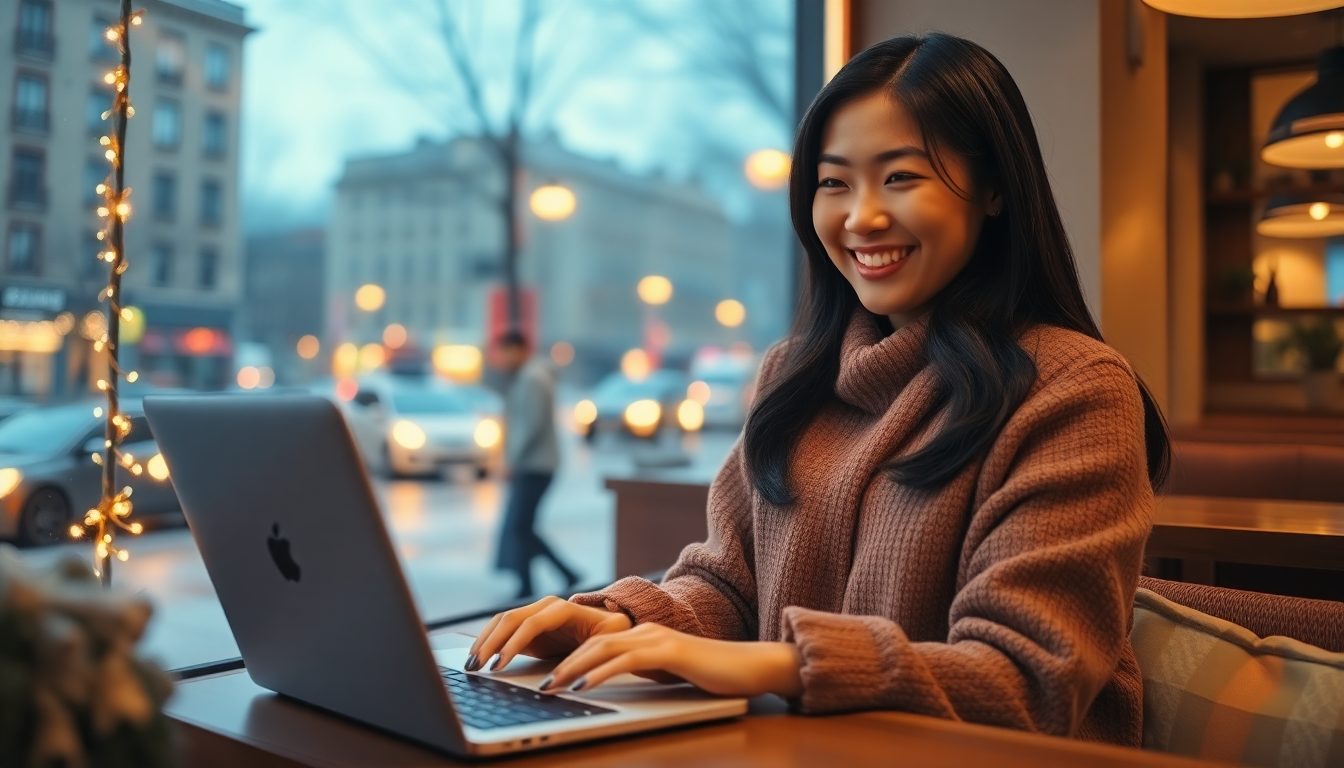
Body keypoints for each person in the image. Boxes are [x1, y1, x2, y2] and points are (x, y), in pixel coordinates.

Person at [464, 33, 1170, 746]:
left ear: (993, 188)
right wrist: (621, 619)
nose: (860, 217)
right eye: (834, 183)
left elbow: (1025, 681)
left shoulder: (1074, 389)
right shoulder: (795, 374)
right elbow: (730, 588)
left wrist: (774, 665)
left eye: (900, 177)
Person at [492, 330, 579, 599]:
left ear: (518, 349)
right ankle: (533, 581)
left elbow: (531, 425)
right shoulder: (531, 376)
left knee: (521, 526)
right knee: (523, 526)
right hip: (535, 464)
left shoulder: (532, 378)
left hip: (535, 464)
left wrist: (511, 460)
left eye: (504, 351)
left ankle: (562, 574)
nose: (502, 359)